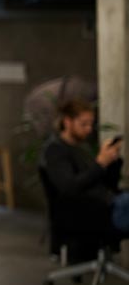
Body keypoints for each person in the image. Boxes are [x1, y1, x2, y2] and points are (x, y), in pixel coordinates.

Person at [41, 99, 129, 240]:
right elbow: (69, 187)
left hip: (109, 203)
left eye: (90, 124)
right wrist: (100, 163)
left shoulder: (82, 147)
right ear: (67, 122)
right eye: (83, 124)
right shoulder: (55, 150)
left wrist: (112, 161)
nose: (89, 129)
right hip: (89, 212)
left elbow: (106, 183)